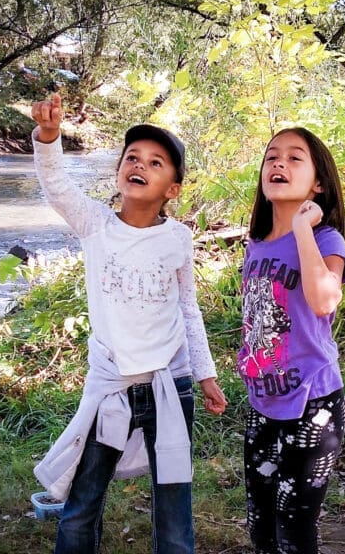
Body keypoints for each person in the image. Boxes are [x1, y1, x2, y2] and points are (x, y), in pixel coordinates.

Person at [30, 93, 227, 554]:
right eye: (133, 157)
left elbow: (189, 309)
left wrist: (205, 372)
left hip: (170, 386)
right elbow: (57, 185)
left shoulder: (178, 238)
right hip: (110, 385)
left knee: (174, 500)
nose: (140, 165)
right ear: (119, 170)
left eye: (156, 162)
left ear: (172, 189)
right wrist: (48, 138)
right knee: (83, 499)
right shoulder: (95, 224)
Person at [237, 127, 345, 554]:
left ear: (318, 183)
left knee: (295, 530)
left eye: (293, 158)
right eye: (271, 157)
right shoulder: (254, 245)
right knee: (261, 525)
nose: (278, 164)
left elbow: (324, 300)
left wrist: (304, 226)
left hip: (313, 404)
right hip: (263, 402)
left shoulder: (327, 241)